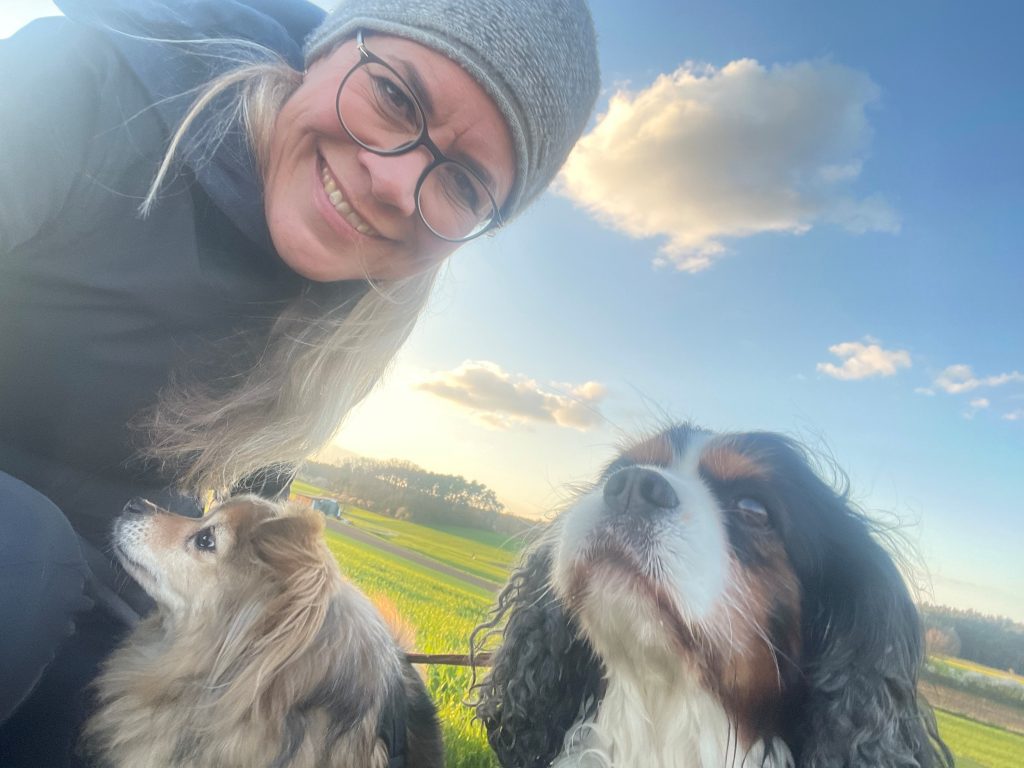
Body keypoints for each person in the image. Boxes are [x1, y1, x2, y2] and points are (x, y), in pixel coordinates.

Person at [0, 0, 600, 763]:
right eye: (394, 95)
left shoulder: (343, 326)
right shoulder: (82, 90)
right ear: (327, 49)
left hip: (102, 591)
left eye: (463, 185)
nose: (391, 181)